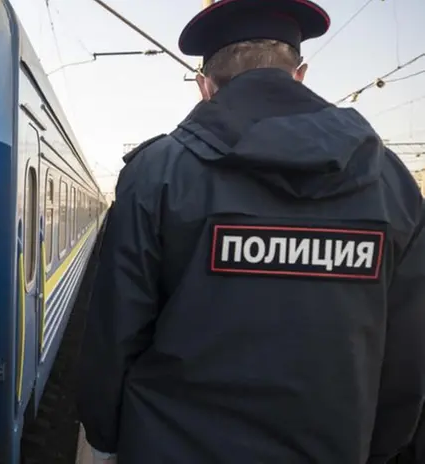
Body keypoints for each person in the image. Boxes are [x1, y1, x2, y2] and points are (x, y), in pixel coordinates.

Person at [76, 0, 425, 463]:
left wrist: (107, 433)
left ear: (205, 85)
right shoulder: (392, 184)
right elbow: (405, 362)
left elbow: (115, 333)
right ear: (299, 73)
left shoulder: (158, 173)